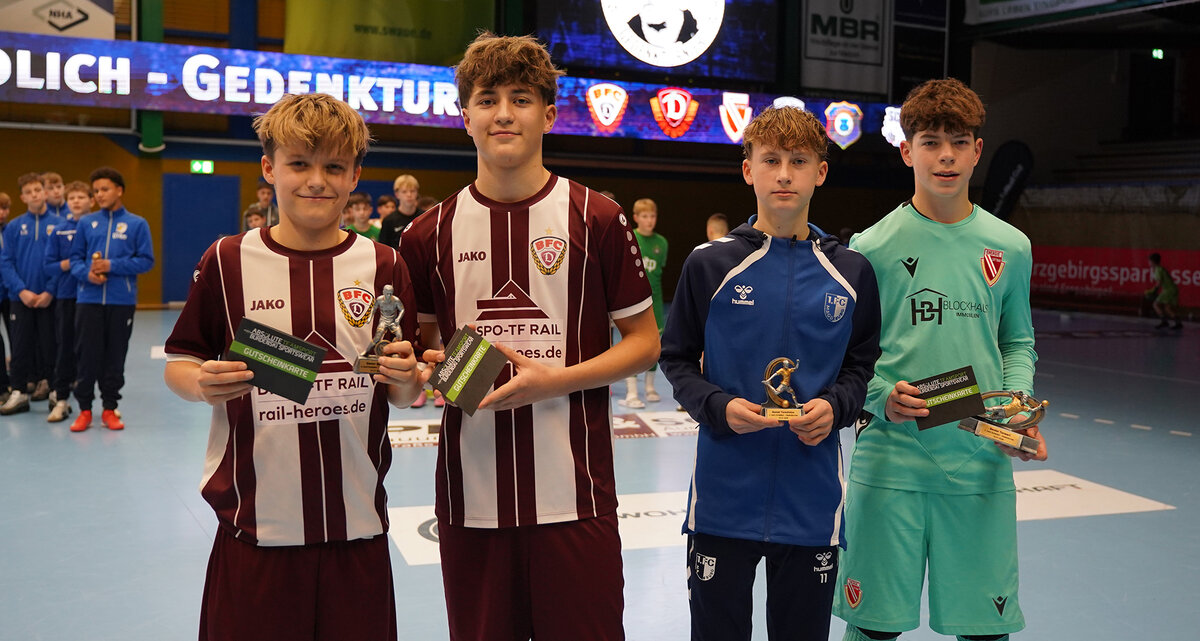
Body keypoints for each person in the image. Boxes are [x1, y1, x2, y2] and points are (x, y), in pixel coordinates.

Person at [398, 32, 660, 641]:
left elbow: (645, 343)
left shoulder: (597, 217)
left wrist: (553, 382)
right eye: (487, 99)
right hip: (471, 501)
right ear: (465, 116)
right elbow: (425, 358)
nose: (504, 113)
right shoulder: (425, 235)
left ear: (549, 114)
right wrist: (419, 374)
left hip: (578, 497)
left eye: (521, 98)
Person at [163, 92, 430, 641]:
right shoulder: (227, 260)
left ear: (355, 176)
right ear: (269, 169)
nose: (316, 181)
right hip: (256, 528)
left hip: (357, 525)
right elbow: (180, 362)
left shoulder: (385, 264)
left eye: (333, 167)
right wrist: (201, 382)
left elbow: (401, 391)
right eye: (299, 164)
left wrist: (409, 380)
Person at [832, 78, 1048, 641]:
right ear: (907, 151)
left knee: (985, 631)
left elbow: (1017, 342)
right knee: (873, 628)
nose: (945, 155)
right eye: (930, 142)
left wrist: (1017, 405)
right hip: (890, 463)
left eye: (958, 142)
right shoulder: (869, 247)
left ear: (978, 151)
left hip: (979, 460)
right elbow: (847, 353)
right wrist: (882, 395)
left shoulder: (1012, 246)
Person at [660, 106, 881, 641]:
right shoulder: (708, 263)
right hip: (722, 497)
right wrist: (717, 407)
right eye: (771, 160)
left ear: (820, 173)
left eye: (799, 161)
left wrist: (836, 407)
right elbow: (677, 358)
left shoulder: (851, 271)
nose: (784, 174)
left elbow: (861, 365)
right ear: (748, 170)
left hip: (811, 503)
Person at [66, 167, 155, 431]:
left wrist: (111, 265)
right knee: (86, 355)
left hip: (121, 301)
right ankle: (84, 410)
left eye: (104, 189)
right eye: (96, 191)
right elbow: (74, 260)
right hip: (88, 300)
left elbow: (146, 261)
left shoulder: (137, 224)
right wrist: (87, 274)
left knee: (115, 356)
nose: (99, 194)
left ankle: (109, 408)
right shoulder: (86, 223)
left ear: (119, 190)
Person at [0, 172, 65, 414]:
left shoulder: (59, 225)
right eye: (29, 192)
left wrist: (49, 291)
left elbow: (63, 262)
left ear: (45, 193)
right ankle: (18, 392)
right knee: (20, 346)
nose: (34, 195)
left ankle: (56, 390)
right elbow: (6, 262)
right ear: (22, 197)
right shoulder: (14, 227)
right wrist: (21, 291)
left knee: (51, 345)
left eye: (38, 190)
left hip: (50, 298)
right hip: (21, 299)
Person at [43, 180, 90, 422]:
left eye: (81, 197)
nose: (76, 201)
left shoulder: (96, 228)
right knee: (64, 348)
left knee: (89, 350)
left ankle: (94, 404)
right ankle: (61, 398)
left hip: (91, 298)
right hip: (66, 297)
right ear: (67, 202)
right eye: (72, 198)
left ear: (91, 201)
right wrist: (70, 264)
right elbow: (49, 265)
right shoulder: (59, 230)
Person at [621, 197, 668, 408]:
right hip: (632, 299)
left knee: (655, 343)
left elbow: (658, 273)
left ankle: (650, 387)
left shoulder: (662, 243)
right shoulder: (629, 237)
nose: (650, 220)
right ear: (636, 217)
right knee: (630, 344)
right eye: (645, 216)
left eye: (653, 216)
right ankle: (631, 392)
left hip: (654, 299)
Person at [377, 174, 423, 248]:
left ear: (417, 193)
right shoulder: (389, 221)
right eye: (404, 192)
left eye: (412, 191)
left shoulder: (424, 217)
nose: (409, 195)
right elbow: (383, 249)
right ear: (397, 194)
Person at [1145, 253, 1183, 329]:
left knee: (1155, 304)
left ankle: (1164, 322)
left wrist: (1153, 291)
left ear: (1152, 262)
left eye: (1149, 261)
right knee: (1167, 308)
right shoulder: (1160, 269)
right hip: (1173, 289)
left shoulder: (1158, 270)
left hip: (1168, 290)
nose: (1148, 263)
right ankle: (1178, 323)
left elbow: (1158, 283)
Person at [0, 191, 12, 404]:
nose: (1, 213)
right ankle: (2, 386)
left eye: (4, 208)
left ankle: (20, 381)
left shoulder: (13, 230)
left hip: (11, 293)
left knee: (17, 338)